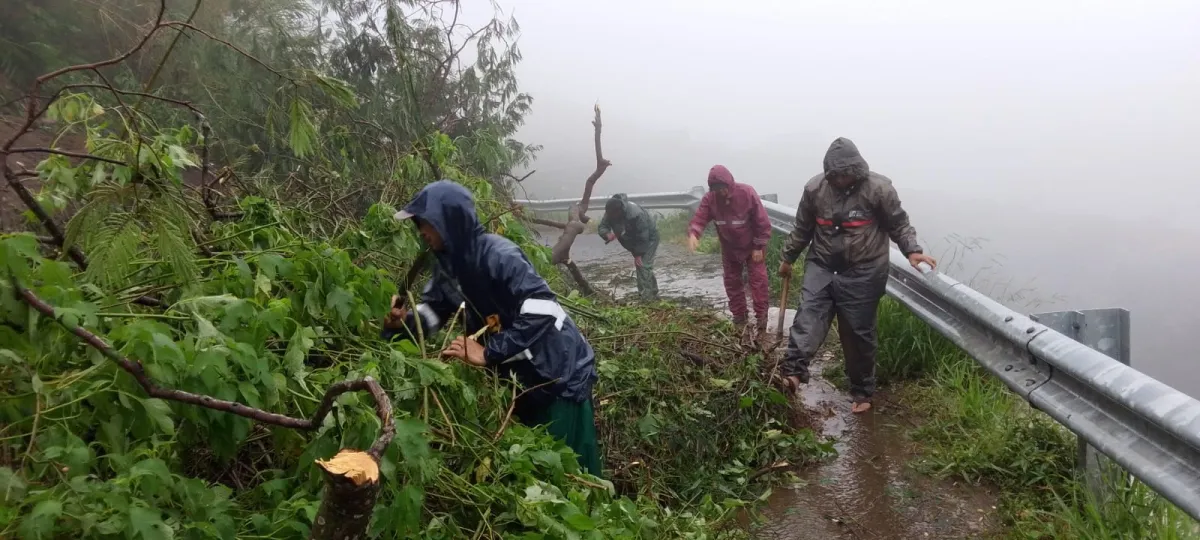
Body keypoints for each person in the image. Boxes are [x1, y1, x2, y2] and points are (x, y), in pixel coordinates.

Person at [381, 180, 602, 475]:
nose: (421, 231)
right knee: (536, 469)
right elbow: (433, 313)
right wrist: (403, 322)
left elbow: (543, 309)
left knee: (571, 474)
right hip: (520, 379)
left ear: (448, 222)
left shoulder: (498, 255)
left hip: (559, 373)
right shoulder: (447, 268)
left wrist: (488, 353)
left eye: (426, 223)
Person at [778, 137, 938, 413]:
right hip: (823, 264)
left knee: (857, 333)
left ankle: (862, 393)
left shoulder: (878, 189)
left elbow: (898, 223)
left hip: (864, 270)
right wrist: (788, 257)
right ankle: (792, 375)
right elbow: (802, 228)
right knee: (808, 316)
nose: (841, 179)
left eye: (846, 173)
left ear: (858, 169)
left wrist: (912, 250)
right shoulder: (815, 189)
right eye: (835, 174)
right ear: (828, 172)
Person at [686, 165, 773, 345]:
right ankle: (740, 317)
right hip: (729, 248)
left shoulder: (746, 193)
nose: (722, 192)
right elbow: (700, 218)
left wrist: (759, 246)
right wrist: (694, 233)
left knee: (758, 282)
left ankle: (762, 320)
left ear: (730, 183)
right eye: (717, 190)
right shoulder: (710, 199)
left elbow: (762, 223)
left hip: (752, 248)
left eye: (723, 188)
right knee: (732, 282)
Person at [598, 194, 660, 301]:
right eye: (610, 215)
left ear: (620, 211)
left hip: (650, 237)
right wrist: (607, 234)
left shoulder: (635, 214)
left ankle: (647, 299)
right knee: (645, 267)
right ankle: (653, 293)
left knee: (643, 265)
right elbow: (602, 226)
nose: (611, 217)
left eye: (614, 215)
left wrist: (638, 254)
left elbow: (643, 235)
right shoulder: (610, 211)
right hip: (632, 240)